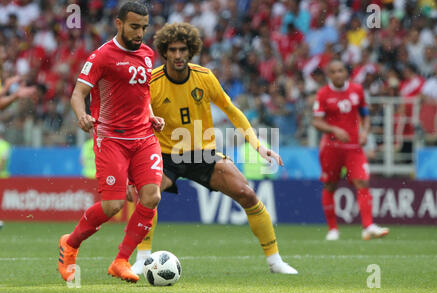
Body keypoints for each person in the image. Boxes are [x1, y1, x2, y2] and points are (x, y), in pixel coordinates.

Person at [131, 22, 297, 275]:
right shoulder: (152, 82)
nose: (178, 55)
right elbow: (137, 122)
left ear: (191, 51)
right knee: (147, 196)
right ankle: (142, 259)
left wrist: (257, 145)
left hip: (203, 153)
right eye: (172, 50)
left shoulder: (204, 77)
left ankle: (275, 262)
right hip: (164, 155)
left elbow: (232, 111)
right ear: (164, 52)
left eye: (182, 50)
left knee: (247, 194)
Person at [58, 2, 165, 284]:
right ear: (118, 24)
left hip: (144, 137)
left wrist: (152, 116)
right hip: (111, 139)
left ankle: (121, 260)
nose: (140, 33)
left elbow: (143, 94)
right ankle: (70, 244)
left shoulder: (147, 54)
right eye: (134, 27)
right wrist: (82, 116)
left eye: (144, 27)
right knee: (113, 206)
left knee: (152, 196)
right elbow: (78, 93)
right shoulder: (102, 56)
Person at [312, 60, 389, 241]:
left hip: (354, 147)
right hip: (331, 148)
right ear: (329, 75)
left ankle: (368, 226)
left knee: (362, 182)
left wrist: (365, 132)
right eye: (334, 71)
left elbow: (365, 115)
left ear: (345, 73)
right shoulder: (323, 94)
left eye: (341, 70)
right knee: (330, 185)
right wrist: (334, 129)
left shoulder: (357, 90)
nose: (338, 74)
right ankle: (332, 229)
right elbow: (316, 121)